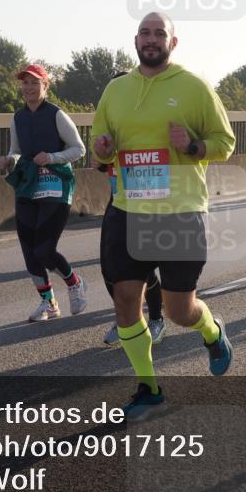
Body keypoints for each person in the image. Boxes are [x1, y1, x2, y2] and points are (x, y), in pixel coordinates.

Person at [92, 12, 236, 421]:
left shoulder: (194, 86)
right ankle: (148, 388)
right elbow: (99, 148)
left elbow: (224, 143)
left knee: (178, 311)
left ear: (173, 42)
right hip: (127, 210)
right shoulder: (116, 89)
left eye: (159, 33)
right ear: (135, 40)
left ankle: (211, 330)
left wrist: (192, 145)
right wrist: (103, 147)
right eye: (145, 33)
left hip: (179, 212)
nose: (151, 39)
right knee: (125, 302)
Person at [0, 64, 87, 322]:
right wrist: (8, 160)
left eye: (34, 83)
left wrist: (52, 157)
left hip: (56, 186)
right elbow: (16, 150)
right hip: (28, 186)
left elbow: (79, 149)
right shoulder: (17, 118)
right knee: (29, 250)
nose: (28, 88)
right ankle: (48, 303)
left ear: (45, 86)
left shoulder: (56, 115)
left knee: (44, 250)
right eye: (25, 83)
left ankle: (74, 283)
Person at [98, 72, 165, 347]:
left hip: (149, 201)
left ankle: (156, 319)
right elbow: (99, 161)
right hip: (118, 200)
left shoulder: (151, 119)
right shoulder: (111, 119)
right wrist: (103, 154)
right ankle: (126, 317)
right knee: (109, 267)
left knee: (143, 267)